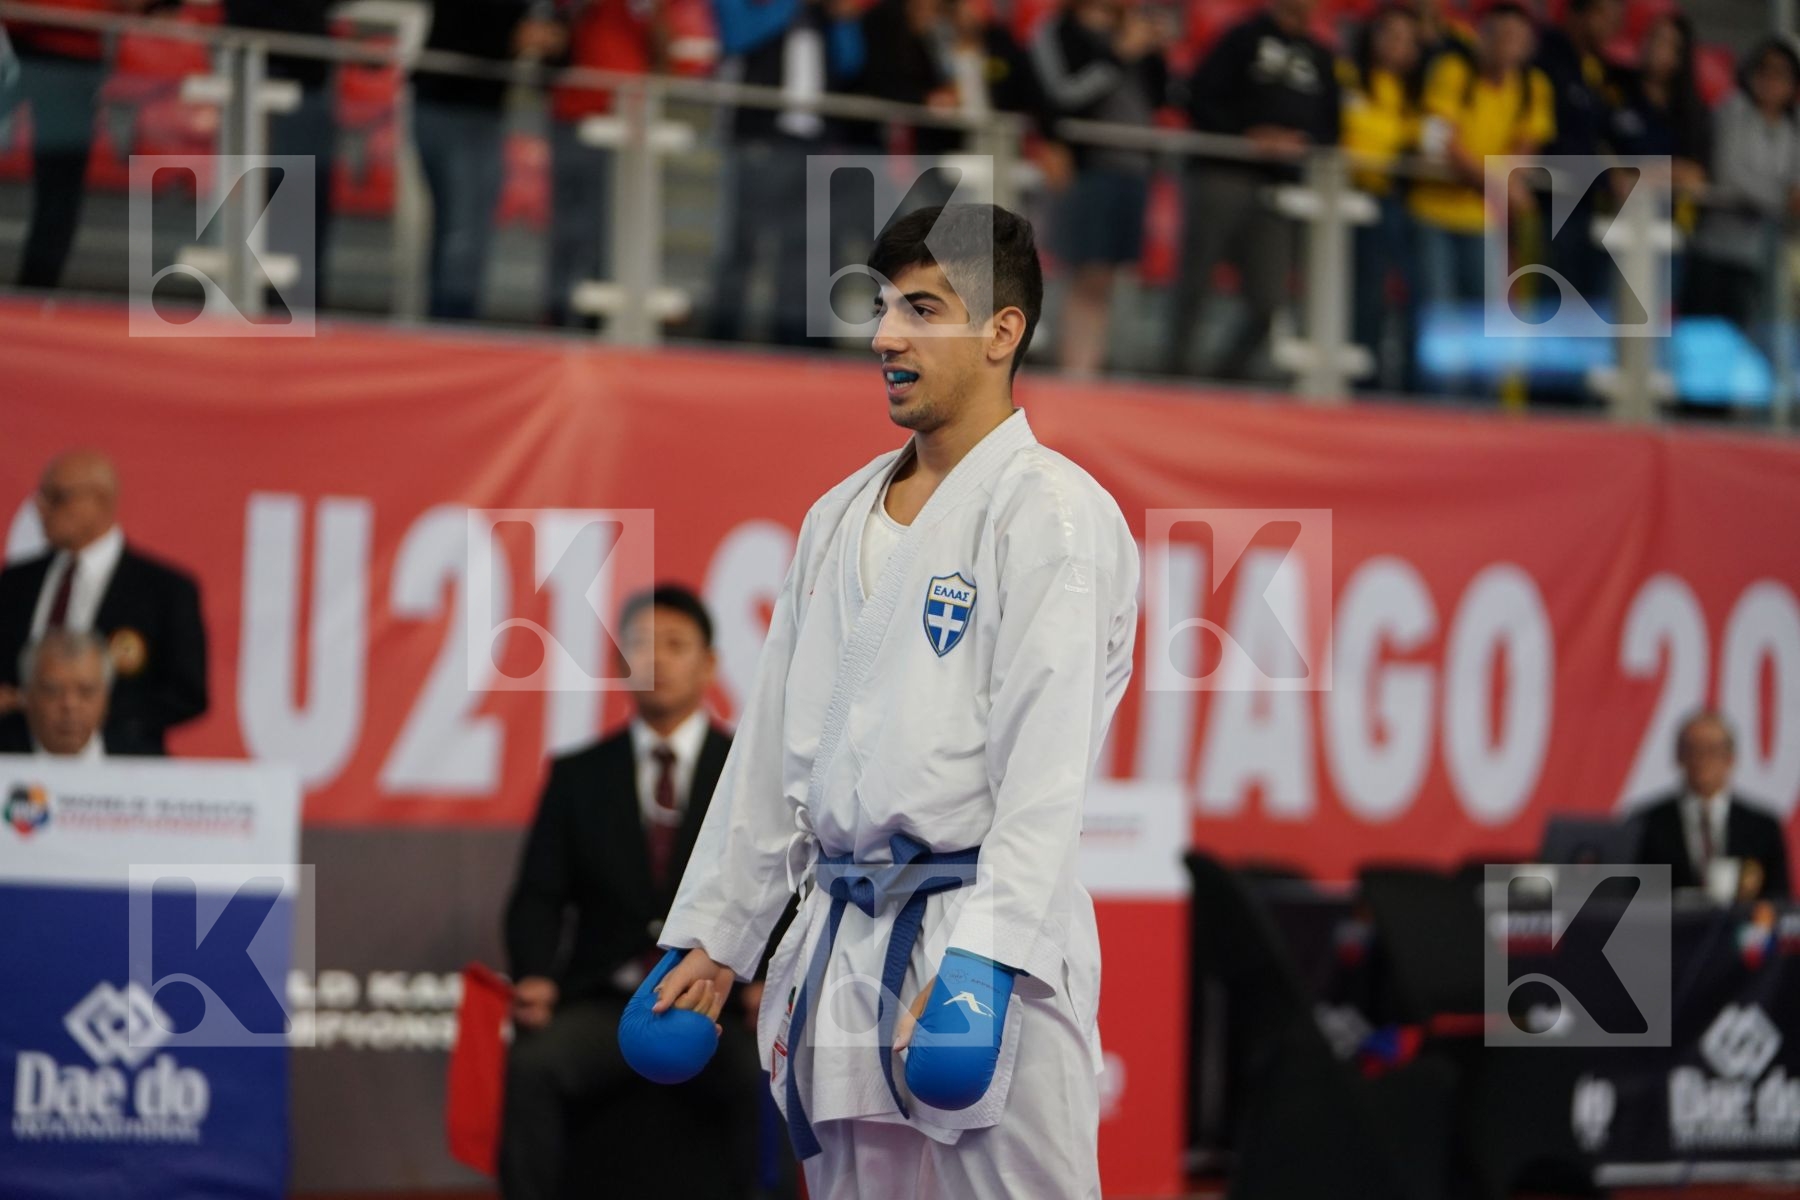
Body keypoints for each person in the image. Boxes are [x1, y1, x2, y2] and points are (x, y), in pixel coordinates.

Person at [647, 203, 1139, 1198]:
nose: (884, 336)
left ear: (1002, 331)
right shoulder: (835, 517)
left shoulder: (1051, 514)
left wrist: (986, 959)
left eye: (922, 309)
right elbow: (774, 748)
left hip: (977, 936)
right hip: (842, 935)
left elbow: (1044, 767)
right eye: (882, 308)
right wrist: (720, 932)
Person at [500, 586, 783, 1200]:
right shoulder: (578, 774)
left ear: (710, 664)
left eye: (676, 645)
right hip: (606, 1001)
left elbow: (784, 884)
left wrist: (769, 981)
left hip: (718, 1003)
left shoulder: (751, 770)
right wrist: (534, 974)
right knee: (534, 1065)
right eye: (641, 645)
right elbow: (538, 894)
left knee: (768, 1071)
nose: (657, 659)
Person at [1168, 0, 1340, 381]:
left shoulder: (1321, 56)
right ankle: (1175, 370)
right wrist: (1247, 135)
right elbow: (1198, 96)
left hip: (1279, 187)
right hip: (1223, 173)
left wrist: (1302, 142)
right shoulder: (1241, 39)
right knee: (1196, 278)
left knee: (1269, 299)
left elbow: (1332, 125)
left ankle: (1226, 376)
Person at [0, 450, 207, 756]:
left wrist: (90, 710)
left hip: (121, 767)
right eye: (41, 498)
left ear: (100, 501)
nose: (41, 509)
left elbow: (186, 693)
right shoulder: (15, 582)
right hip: (15, 763)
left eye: (58, 497)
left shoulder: (164, 590)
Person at [706, 0, 867, 346]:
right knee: (745, 242)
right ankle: (724, 334)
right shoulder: (754, 5)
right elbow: (736, 38)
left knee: (806, 248)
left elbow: (851, 61)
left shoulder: (820, 16)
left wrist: (842, 20)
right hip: (759, 141)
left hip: (815, 145)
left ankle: (792, 338)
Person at [1031, 0, 1171, 375]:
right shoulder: (1060, 31)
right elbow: (1061, 96)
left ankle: (1088, 368)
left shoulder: (1129, 30)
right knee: (1085, 272)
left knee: (1108, 277)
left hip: (1133, 166)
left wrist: (1154, 51)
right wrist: (1118, 55)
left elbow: (1161, 98)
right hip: (1089, 166)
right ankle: (1072, 367)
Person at [5, 0, 161, 289]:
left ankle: (38, 288)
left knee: (60, 186)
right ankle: (38, 287)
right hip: (22, 49)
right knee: (60, 188)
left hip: (72, 61)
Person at [1408, 0, 1553, 309]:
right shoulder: (1453, 70)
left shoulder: (1533, 86)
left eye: (1517, 38)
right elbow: (1441, 141)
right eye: (1501, 35)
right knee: (1439, 313)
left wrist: (1497, 180)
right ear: (1482, 36)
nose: (1508, 45)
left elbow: (1525, 148)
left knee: (1488, 314)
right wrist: (1495, 182)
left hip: (1486, 219)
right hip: (1433, 212)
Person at [536, 0, 667, 329]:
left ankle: (600, 319)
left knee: (612, 224)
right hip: (575, 113)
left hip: (627, 118)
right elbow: (555, 33)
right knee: (570, 223)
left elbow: (666, 54)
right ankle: (559, 310)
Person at [412, 0, 532, 321]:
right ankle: (450, 325)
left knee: (461, 232)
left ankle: (448, 321)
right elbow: (472, 30)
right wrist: (513, 36)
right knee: (462, 232)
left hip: (469, 107)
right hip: (456, 106)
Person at [1684, 37, 1800, 336]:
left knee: (1743, 340)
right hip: (1713, 248)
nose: (1771, 80)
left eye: (1781, 73)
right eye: (1765, 70)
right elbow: (1730, 177)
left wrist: (1777, 197)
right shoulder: (1732, 110)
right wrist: (1778, 199)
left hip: (1756, 255)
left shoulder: (1792, 128)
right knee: (1700, 335)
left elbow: (1795, 188)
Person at [1339, 2, 1423, 392]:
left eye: (1406, 39)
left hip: (1398, 200)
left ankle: (1405, 385)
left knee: (1408, 295)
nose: (1396, 45)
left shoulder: (1415, 92)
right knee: (1363, 294)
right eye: (1389, 34)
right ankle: (1360, 382)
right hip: (1352, 199)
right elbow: (1355, 134)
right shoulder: (1348, 77)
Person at [1631, 710, 1791, 902]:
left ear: (1730, 758)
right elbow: (1634, 900)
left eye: (1713, 750)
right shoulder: (1647, 823)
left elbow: (1779, 901)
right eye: (1693, 750)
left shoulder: (1762, 828)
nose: (1702, 760)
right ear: (1678, 756)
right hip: (1670, 921)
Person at [1533, 0, 1623, 299]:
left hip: (1585, 203)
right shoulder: (1546, 59)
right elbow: (1555, 141)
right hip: (1549, 201)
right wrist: (1607, 177)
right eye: (1603, 15)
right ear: (1577, 14)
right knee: (1552, 302)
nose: (1612, 26)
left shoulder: (1596, 70)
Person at [0, 630, 154, 757]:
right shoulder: (6, 756)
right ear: (27, 696)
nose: (70, 705)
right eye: (53, 691)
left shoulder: (146, 764)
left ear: (106, 697)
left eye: (86, 691)